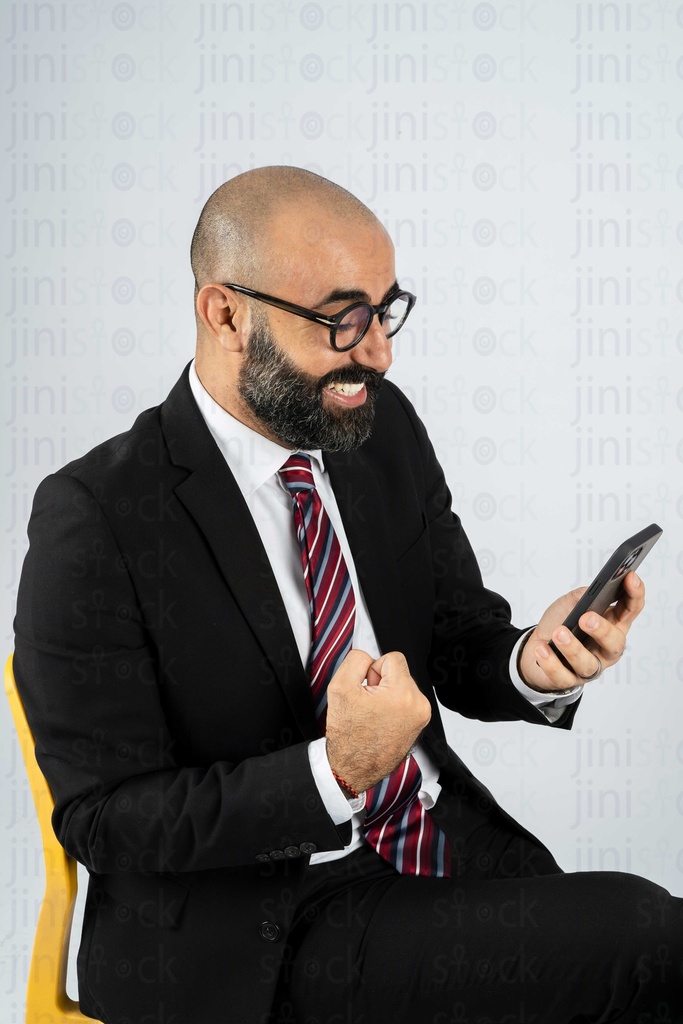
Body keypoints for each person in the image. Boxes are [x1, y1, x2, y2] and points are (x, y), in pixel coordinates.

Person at [14, 166, 682, 1024]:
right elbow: (106, 818)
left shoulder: (378, 427)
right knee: (643, 939)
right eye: (342, 319)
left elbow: (452, 631)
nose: (379, 352)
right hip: (259, 931)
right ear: (226, 315)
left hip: (440, 851)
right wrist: (332, 773)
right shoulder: (99, 513)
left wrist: (531, 664)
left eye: (387, 308)